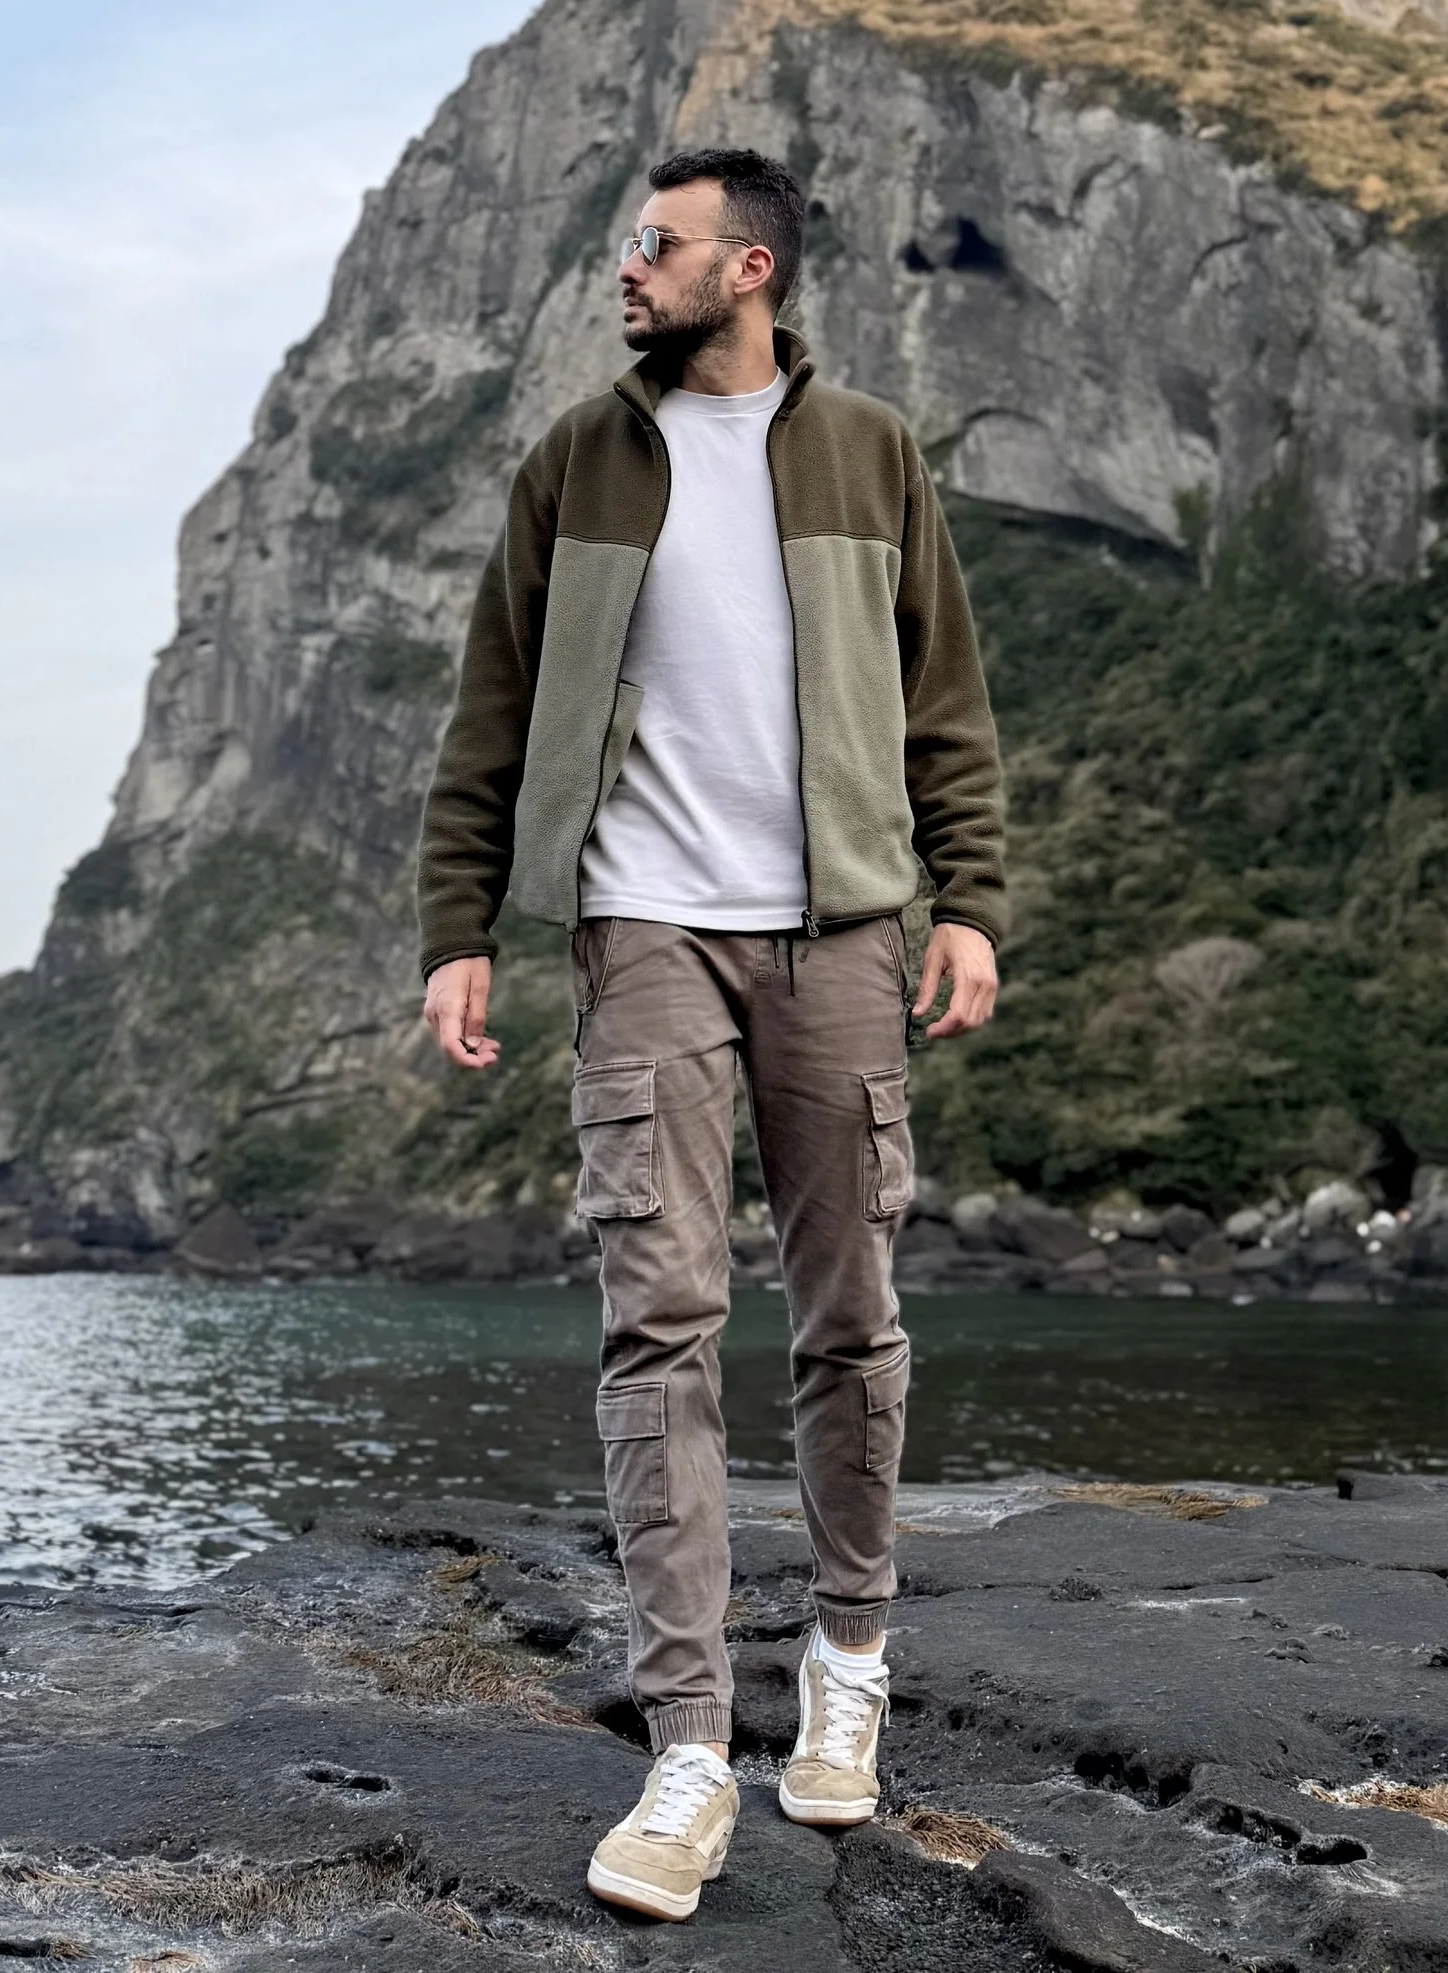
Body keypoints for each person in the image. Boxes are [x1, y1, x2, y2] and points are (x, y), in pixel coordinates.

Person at [415, 145, 1006, 1924]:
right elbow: (492, 710)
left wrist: (967, 898)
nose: (626, 268)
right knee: (658, 1324)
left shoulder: (873, 453)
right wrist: (462, 929)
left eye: (654, 245)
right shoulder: (576, 464)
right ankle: (686, 1747)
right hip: (644, 926)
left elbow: (945, 698)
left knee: (852, 1322)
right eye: (626, 243)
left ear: (748, 268)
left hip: (838, 927)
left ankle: (846, 1664)